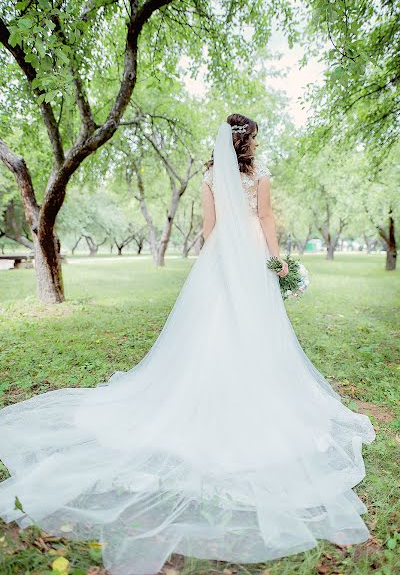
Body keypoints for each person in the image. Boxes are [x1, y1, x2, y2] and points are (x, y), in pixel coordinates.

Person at [0, 115, 376, 575]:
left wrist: (215, 265)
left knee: (213, 327)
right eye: (255, 135)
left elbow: (210, 230)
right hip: (251, 252)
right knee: (253, 329)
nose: (257, 142)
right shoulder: (258, 176)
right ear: (246, 141)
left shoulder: (209, 177)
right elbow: (267, 217)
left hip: (222, 258)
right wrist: (274, 259)